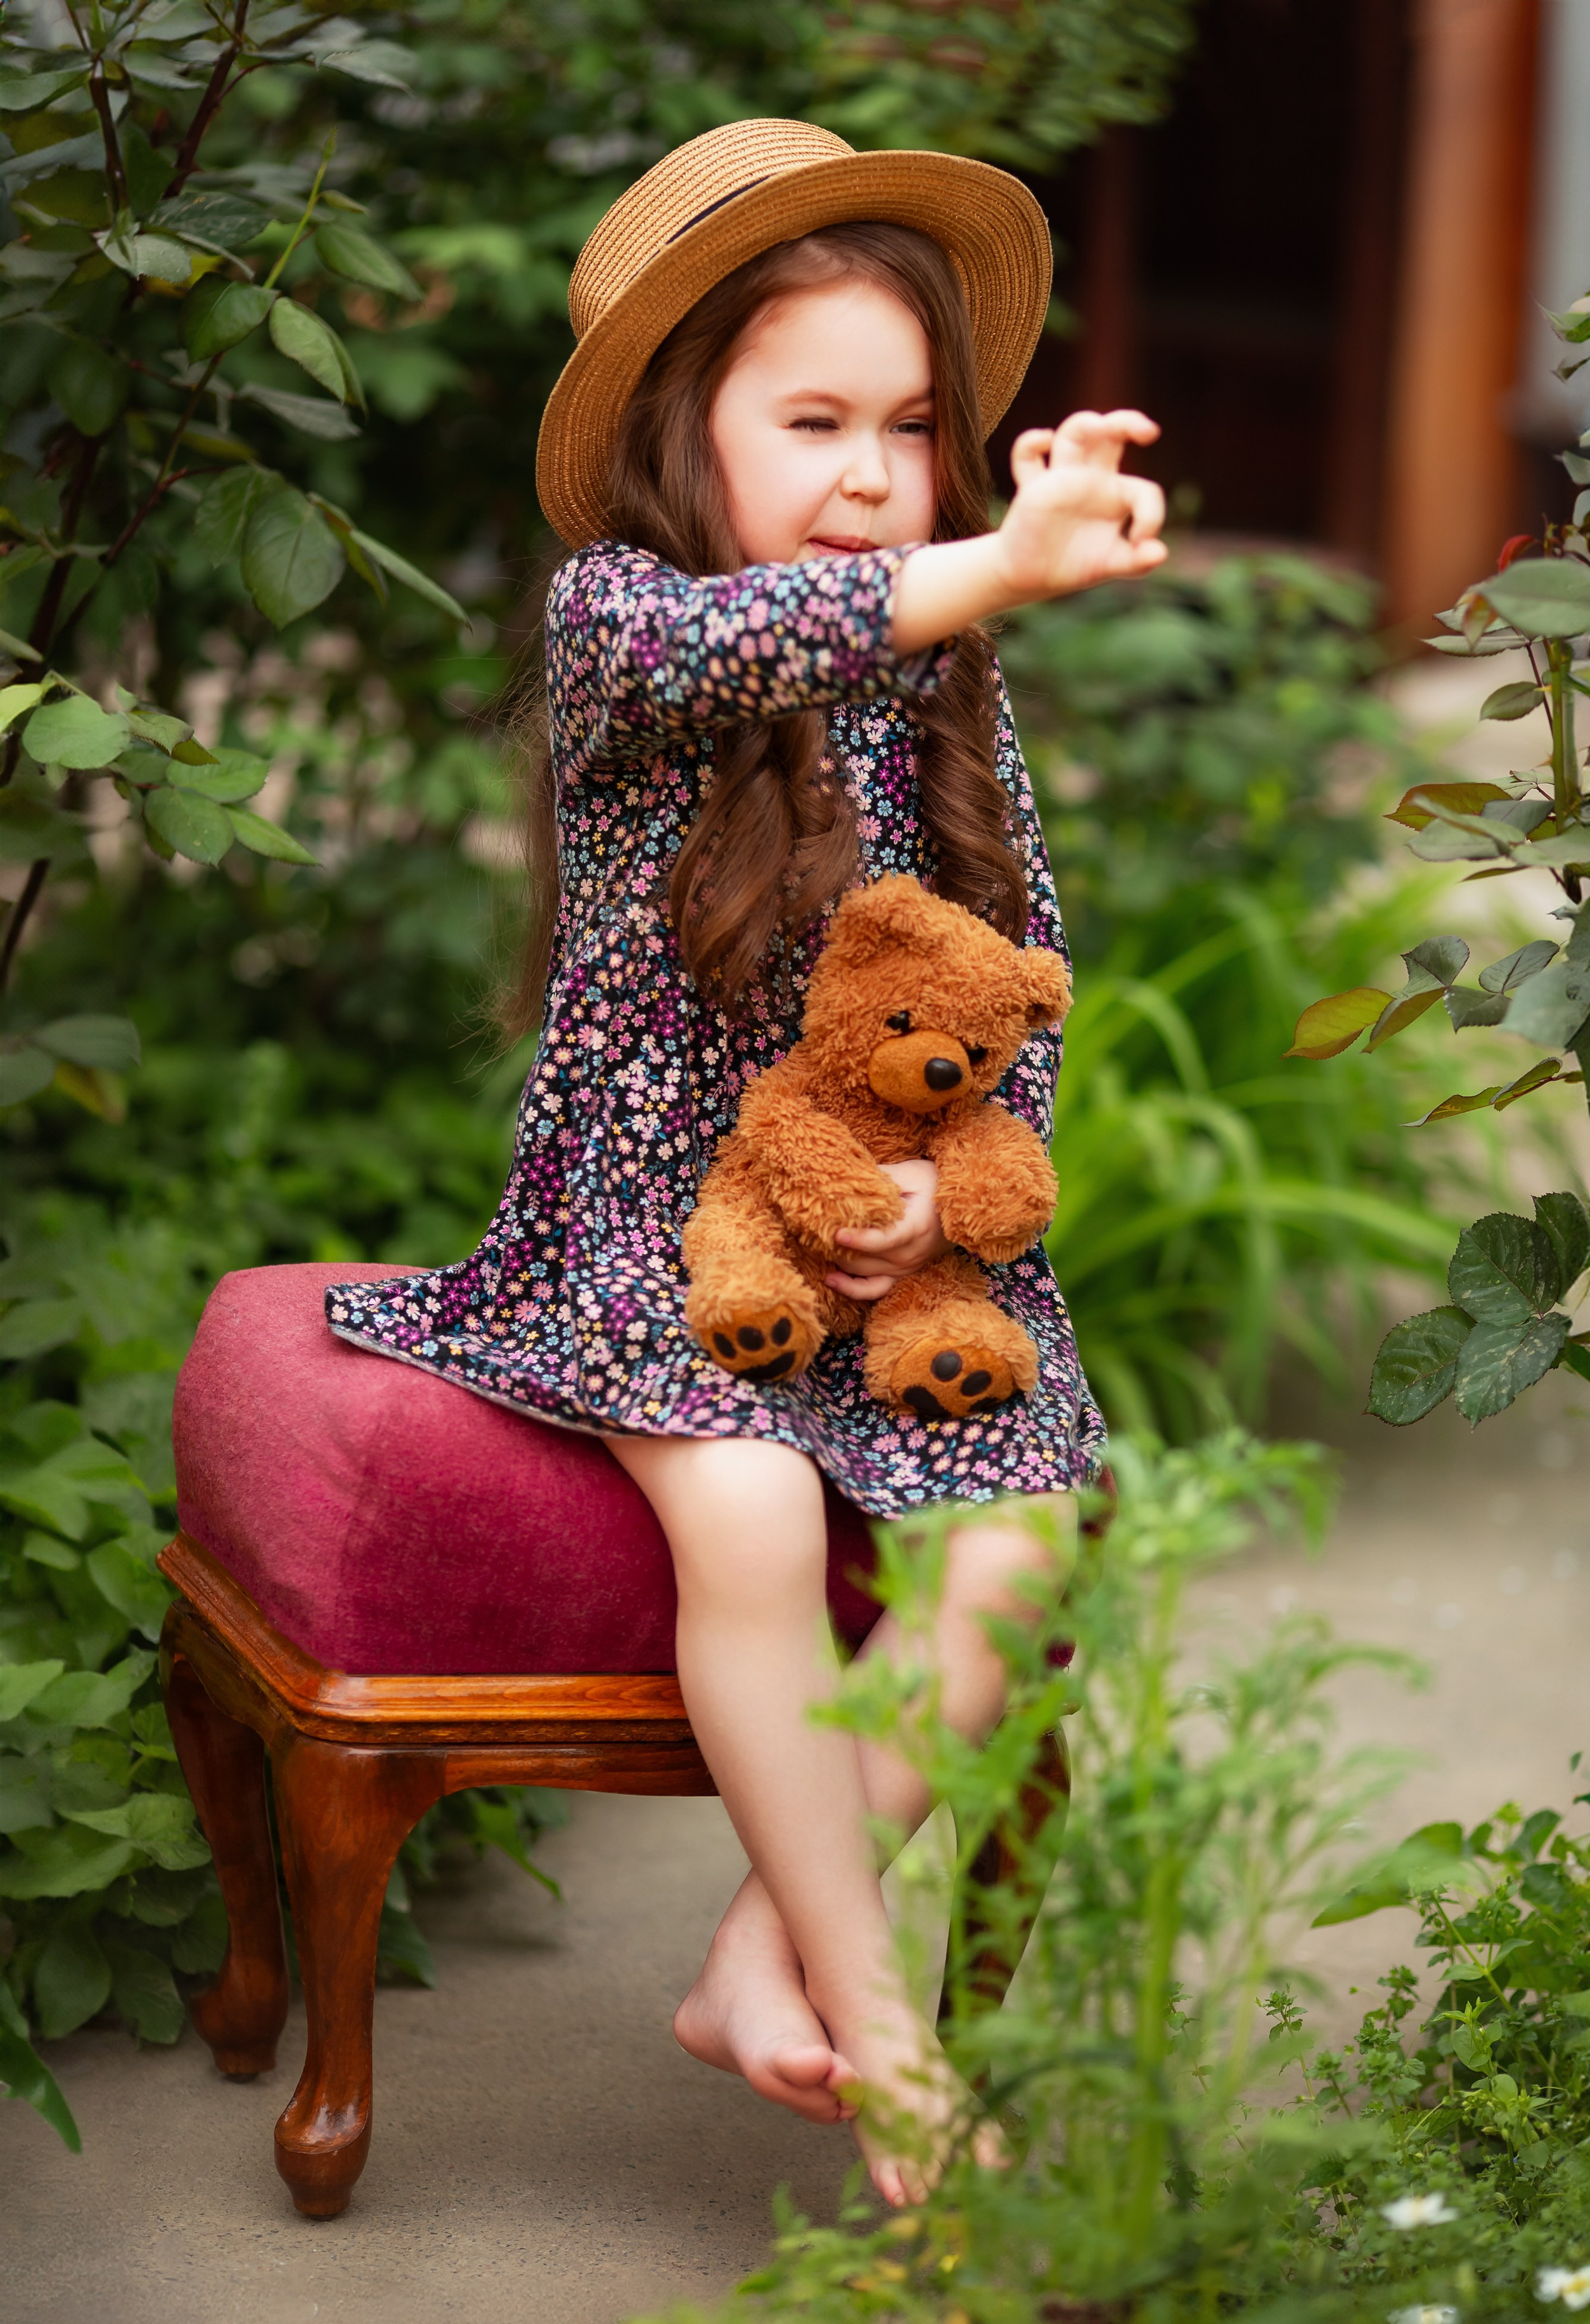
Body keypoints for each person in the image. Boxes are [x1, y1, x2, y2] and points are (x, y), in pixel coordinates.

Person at [326, 120, 1165, 2206]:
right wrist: (994, 565)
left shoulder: (939, 678)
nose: (872, 473)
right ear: (685, 434)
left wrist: (942, 1190)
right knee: (761, 1515)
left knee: (1028, 1528)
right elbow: (754, 644)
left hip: (885, 1246)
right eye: (810, 420)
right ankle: (893, 2054)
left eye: (908, 428)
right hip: (639, 1234)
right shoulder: (624, 625)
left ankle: (766, 1946)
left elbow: (1012, 970)